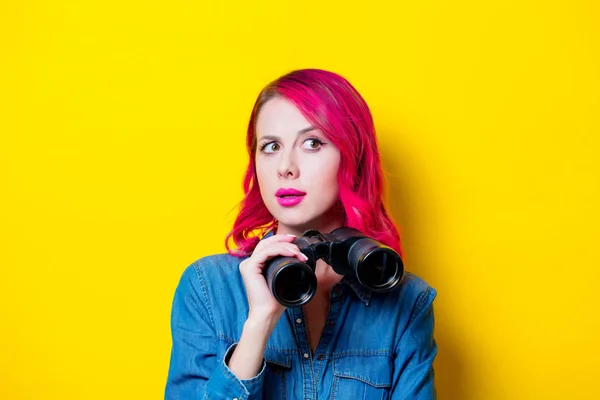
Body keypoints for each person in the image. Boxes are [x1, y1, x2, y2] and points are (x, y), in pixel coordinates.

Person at [164, 68, 437, 399]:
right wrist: (259, 324)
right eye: (270, 146)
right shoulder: (208, 288)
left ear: (353, 157)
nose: (285, 166)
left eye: (312, 143)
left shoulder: (406, 302)